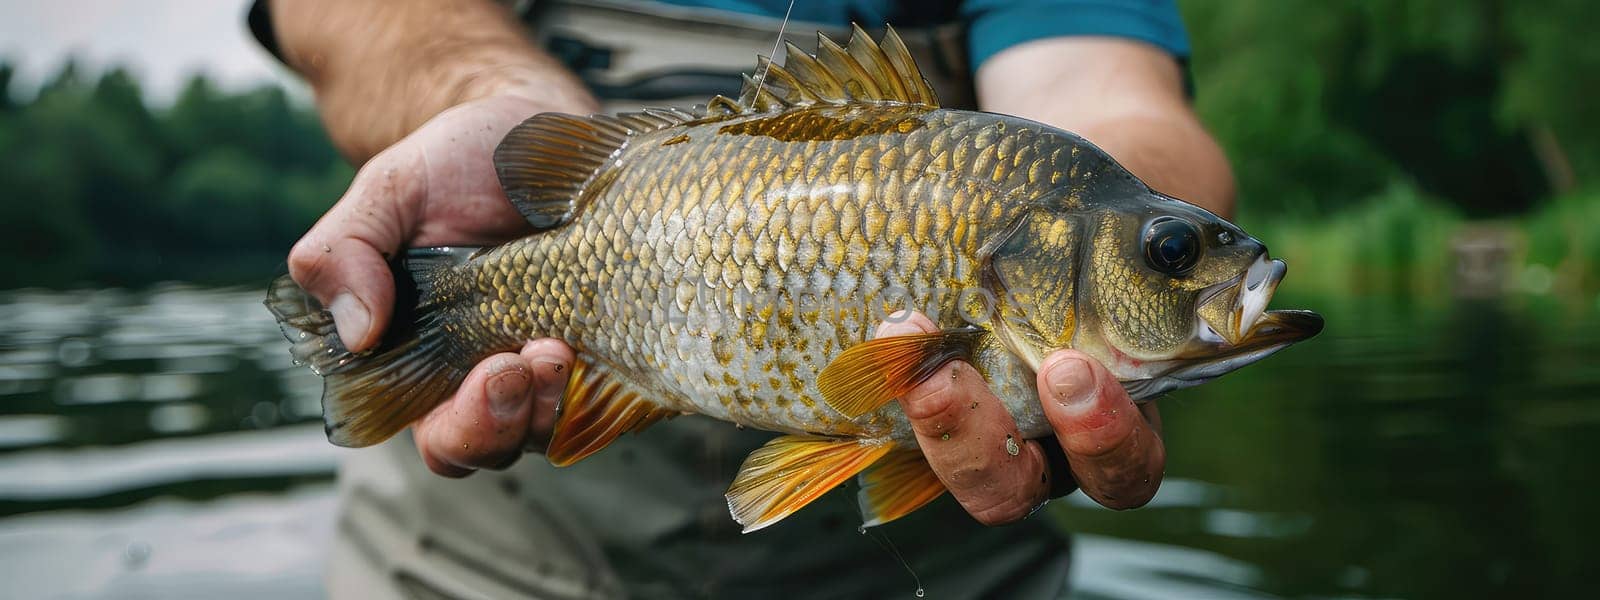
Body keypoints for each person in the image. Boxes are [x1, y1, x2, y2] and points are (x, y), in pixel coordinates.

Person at [252, 0, 1234, 597]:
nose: (1187, 269)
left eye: (1167, 253)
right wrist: (487, 94)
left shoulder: (1048, 205)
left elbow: (1116, 91)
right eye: (1170, 253)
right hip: (479, 577)